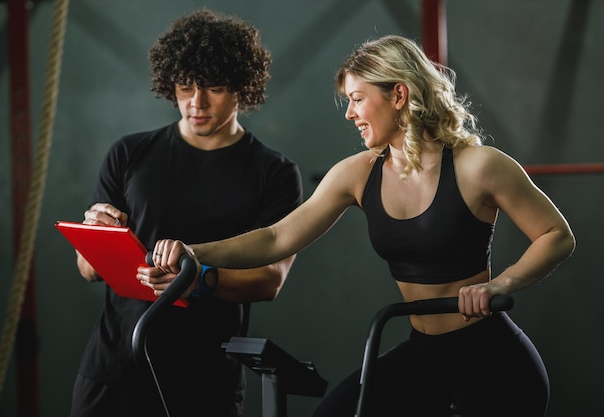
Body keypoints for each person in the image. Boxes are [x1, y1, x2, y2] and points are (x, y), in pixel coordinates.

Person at [140, 35, 576, 417]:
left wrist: (500, 284)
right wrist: (196, 252)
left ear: (399, 95)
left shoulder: (479, 166)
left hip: (495, 364)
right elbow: (277, 237)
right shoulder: (357, 173)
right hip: (423, 354)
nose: (349, 113)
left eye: (357, 98)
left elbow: (557, 235)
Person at [69, 9, 303, 417]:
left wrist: (192, 282)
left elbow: (270, 280)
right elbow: (87, 269)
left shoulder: (275, 173)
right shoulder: (129, 154)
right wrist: (97, 231)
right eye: (184, 87)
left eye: (213, 87)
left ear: (241, 88)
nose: (196, 102)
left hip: (206, 381)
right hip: (114, 369)